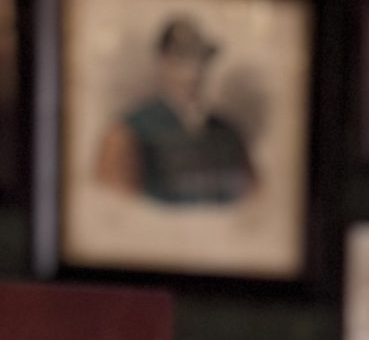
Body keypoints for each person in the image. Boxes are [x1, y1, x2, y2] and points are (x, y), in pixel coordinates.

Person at [93, 15, 257, 204]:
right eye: (181, 58)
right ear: (163, 63)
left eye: (199, 57)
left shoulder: (229, 133)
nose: (193, 69)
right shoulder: (127, 132)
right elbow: (114, 211)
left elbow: (256, 203)